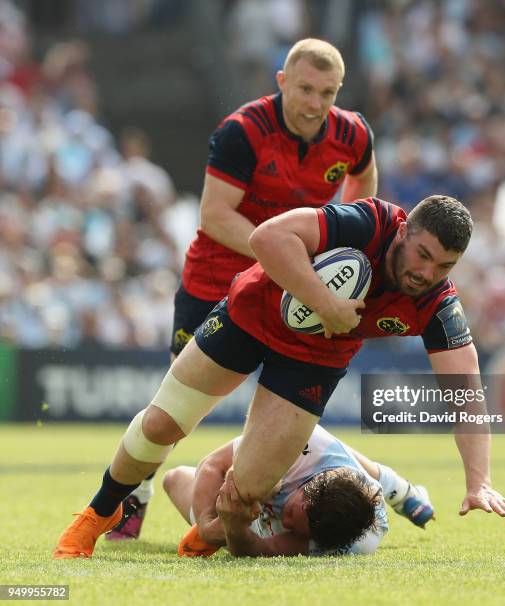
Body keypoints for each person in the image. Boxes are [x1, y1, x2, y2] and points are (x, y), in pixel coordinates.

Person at [53, 194, 505, 560]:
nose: (426, 272)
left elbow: (465, 388)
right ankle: (101, 510)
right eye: (422, 254)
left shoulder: (438, 301)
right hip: (250, 313)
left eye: (443, 266)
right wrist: (325, 302)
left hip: (313, 361)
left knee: (248, 492)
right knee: (162, 424)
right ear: (405, 231)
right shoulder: (368, 222)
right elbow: (267, 238)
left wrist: (478, 480)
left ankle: (206, 531)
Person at [107, 37, 378, 540]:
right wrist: (287, 257)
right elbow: (214, 216)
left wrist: (345, 246)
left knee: (293, 402)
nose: (316, 104)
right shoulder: (243, 131)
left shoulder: (353, 134)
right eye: (305, 89)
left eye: (328, 92)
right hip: (214, 282)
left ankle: (372, 488)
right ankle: (133, 497)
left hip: (286, 291)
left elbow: (364, 191)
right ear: (281, 82)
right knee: (175, 408)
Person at [162, 424, 433, 557]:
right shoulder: (303, 443)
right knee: (328, 446)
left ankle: (401, 491)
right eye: (291, 512)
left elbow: (258, 550)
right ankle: (403, 491)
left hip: (355, 516)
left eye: (295, 529)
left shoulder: (353, 542)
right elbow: (211, 465)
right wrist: (208, 524)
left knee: (175, 479)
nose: (286, 520)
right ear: (310, 485)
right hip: (320, 457)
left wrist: (233, 529)